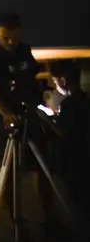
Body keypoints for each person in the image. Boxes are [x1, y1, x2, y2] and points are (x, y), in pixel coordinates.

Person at [0, 11, 55, 239]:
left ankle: (50, 219)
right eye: (5, 38)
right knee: (10, 172)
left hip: (28, 114)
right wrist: (5, 112)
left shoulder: (24, 50)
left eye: (14, 37)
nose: (10, 43)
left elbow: (31, 78)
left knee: (42, 168)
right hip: (5, 119)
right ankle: (17, 223)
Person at [49, 60, 88, 218]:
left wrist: (47, 120)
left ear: (63, 80)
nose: (55, 85)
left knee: (78, 202)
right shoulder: (85, 99)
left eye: (55, 81)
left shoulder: (70, 104)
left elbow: (64, 132)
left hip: (74, 161)